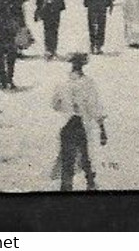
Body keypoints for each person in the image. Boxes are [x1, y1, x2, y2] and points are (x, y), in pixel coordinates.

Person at [52, 52, 106, 191]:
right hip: (82, 124)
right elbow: (95, 107)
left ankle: (66, 186)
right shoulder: (88, 83)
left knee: (67, 159)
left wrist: (67, 108)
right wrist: (102, 129)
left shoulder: (62, 83)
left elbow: (55, 104)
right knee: (86, 155)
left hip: (66, 124)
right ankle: (90, 184)